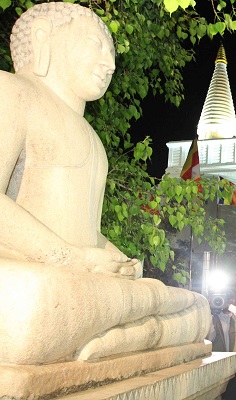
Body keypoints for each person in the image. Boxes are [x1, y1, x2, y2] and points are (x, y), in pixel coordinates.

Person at [0, 2, 208, 366]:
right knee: (31, 304)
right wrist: (70, 258)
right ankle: (114, 333)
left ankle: (106, 335)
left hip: (80, 283)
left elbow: (87, 232)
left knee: (196, 308)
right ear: (44, 37)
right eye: (97, 44)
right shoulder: (12, 92)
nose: (110, 63)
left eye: (112, 52)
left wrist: (114, 258)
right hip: (38, 278)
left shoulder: (93, 138)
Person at [208, 292, 236, 400]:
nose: (227, 301)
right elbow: (208, 337)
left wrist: (229, 306)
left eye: (231, 298)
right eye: (225, 299)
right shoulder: (214, 318)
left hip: (235, 364)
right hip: (218, 364)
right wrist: (209, 309)